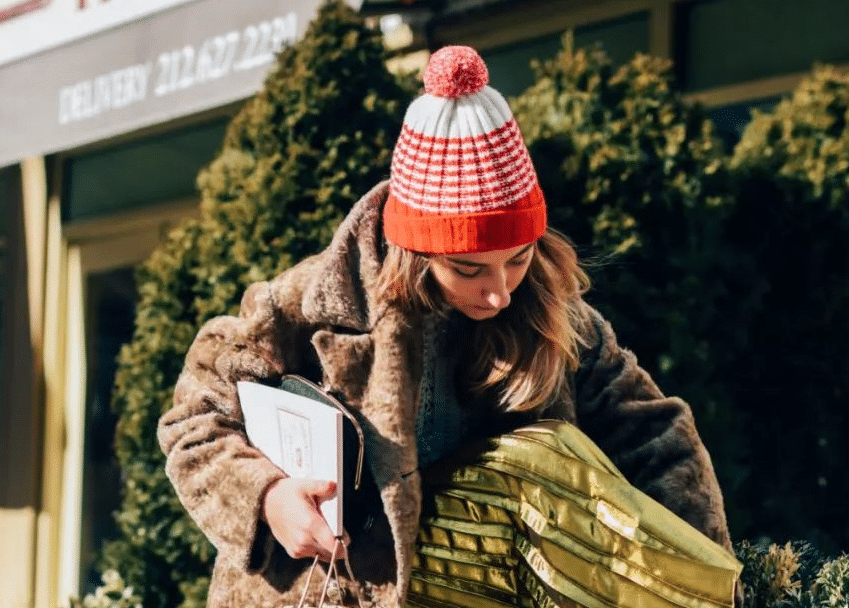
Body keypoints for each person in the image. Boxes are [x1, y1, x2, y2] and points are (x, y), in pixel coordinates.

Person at [159, 46, 741, 608]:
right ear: (415, 252)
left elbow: (657, 437)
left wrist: (704, 584)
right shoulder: (303, 305)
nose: (500, 290)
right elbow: (192, 422)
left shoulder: (556, 313)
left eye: (518, 257)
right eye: (468, 268)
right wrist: (267, 498)